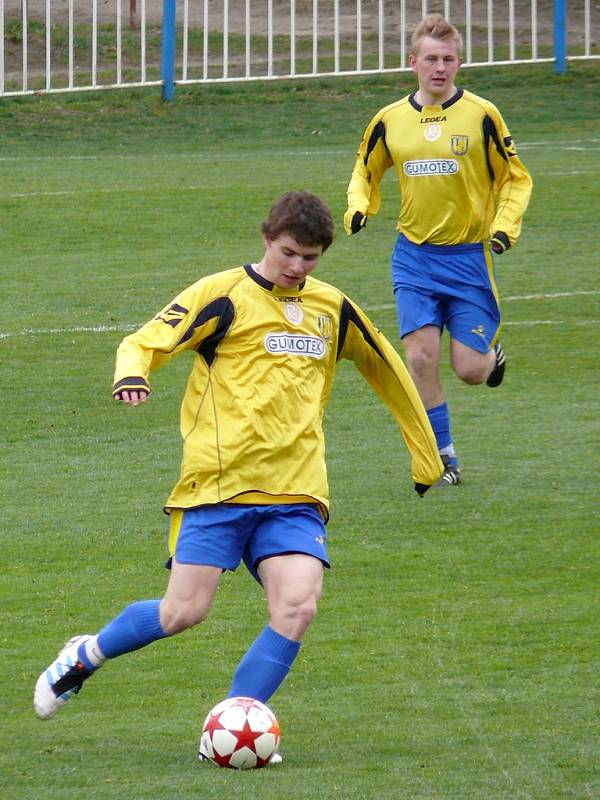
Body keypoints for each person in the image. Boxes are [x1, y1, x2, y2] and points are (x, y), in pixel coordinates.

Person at [33, 192, 443, 759]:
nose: (297, 268)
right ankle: (85, 655)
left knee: (298, 605)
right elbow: (146, 339)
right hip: (217, 488)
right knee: (183, 613)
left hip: (296, 492)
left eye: (311, 258)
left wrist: (428, 456)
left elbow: (391, 372)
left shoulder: (332, 309)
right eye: (289, 253)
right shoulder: (222, 295)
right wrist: (133, 374)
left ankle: (230, 728)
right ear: (267, 239)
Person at [344, 13, 533, 486]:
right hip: (414, 257)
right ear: (413, 63)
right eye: (431, 58)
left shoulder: (482, 115)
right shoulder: (389, 120)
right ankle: (444, 455)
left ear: (460, 63)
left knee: (469, 370)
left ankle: (491, 358)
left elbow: (515, 178)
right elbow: (365, 170)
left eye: (448, 59)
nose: (440, 67)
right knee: (421, 358)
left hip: (469, 256)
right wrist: (359, 206)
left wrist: (505, 227)